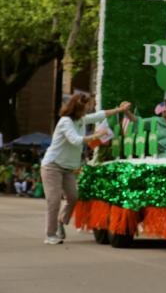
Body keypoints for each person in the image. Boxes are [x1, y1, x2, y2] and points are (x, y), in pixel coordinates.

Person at [40, 92, 130, 245]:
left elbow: (100, 115)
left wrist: (119, 110)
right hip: (52, 166)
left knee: (73, 197)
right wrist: (96, 136)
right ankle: (50, 235)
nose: (88, 111)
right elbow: (75, 140)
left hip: (68, 167)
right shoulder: (65, 121)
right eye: (86, 108)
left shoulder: (81, 119)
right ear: (77, 108)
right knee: (54, 201)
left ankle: (61, 221)